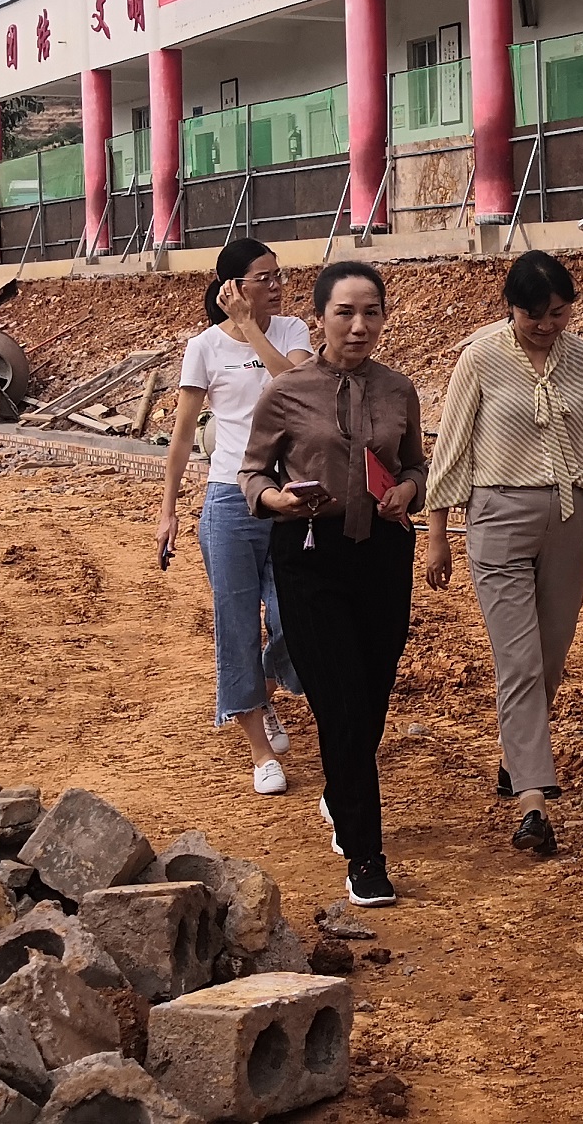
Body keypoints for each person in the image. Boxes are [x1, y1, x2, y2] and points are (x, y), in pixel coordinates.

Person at [423, 250, 583, 859]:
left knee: (549, 657)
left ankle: (516, 756)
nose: (546, 325)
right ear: (510, 308)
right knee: (518, 660)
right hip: (498, 518)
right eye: (533, 314)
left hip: (569, 519)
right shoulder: (480, 358)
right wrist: (438, 532)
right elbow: (453, 449)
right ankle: (533, 802)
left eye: (557, 312)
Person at [240, 261, 427, 907]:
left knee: (371, 697)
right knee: (339, 702)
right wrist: (274, 501)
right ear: (318, 319)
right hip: (309, 557)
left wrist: (408, 490)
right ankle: (365, 853)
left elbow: (415, 466)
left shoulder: (399, 389)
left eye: (371, 312)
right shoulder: (286, 392)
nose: (359, 325)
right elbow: (252, 472)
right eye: (344, 312)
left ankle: (341, 789)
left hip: (383, 556)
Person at [157, 239, 313, 796]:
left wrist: (250, 328)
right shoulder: (203, 347)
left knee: (297, 614)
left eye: (278, 275)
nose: (276, 285)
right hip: (229, 497)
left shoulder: (292, 332)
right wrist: (169, 509)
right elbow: (182, 437)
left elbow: (296, 389)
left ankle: (261, 690)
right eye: (263, 278)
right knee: (236, 620)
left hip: (289, 496)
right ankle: (259, 748)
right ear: (233, 287)